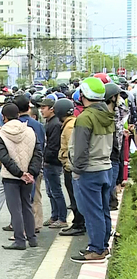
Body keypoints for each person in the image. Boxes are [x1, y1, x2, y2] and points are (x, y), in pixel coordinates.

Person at [69, 77, 115, 263]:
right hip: (106, 167)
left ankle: (96, 250)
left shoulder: (85, 118)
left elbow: (80, 149)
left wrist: (77, 171)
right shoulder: (108, 114)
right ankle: (102, 245)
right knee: (103, 209)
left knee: (92, 211)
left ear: (84, 94)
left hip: (89, 170)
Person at [0, 103, 43, 250]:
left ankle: (20, 241)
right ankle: (32, 238)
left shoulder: (1, 135)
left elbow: (4, 158)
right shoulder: (30, 131)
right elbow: (37, 153)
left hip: (11, 177)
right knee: (27, 206)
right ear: (18, 115)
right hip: (29, 177)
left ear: (4, 117)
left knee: (15, 209)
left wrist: (19, 173)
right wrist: (30, 172)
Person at [54, 98, 86, 236]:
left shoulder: (69, 127)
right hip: (70, 166)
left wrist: (68, 166)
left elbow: (72, 149)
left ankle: (78, 224)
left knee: (75, 198)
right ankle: (78, 222)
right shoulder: (70, 123)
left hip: (70, 168)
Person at [14, 95, 46, 232]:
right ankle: (36, 223)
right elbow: (42, 144)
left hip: (17, 166)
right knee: (36, 194)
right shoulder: (38, 125)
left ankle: (21, 225)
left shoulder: (12, 125)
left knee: (18, 197)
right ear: (28, 107)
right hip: (35, 165)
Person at [39, 96, 68, 229]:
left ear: (52, 109)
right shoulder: (49, 122)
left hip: (53, 162)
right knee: (50, 191)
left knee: (56, 191)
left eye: (43, 108)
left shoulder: (55, 124)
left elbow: (54, 146)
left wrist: (46, 159)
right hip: (49, 161)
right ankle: (54, 215)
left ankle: (62, 218)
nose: (41, 110)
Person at [104, 83, 127, 212]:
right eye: (117, 96)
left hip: (114, 152)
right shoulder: (104, 114)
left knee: (109, 186)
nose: (120, 98)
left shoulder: (118, 111)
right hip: (106, 153)